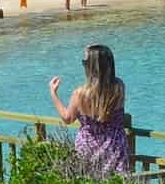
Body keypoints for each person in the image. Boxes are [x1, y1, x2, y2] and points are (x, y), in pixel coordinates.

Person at [49, 44, 130, 175]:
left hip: (88, 146)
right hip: (115, 146)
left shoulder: (80, 94)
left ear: (91, 67)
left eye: (84, 62)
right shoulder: (119, 87)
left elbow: (67, 118)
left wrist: (53, 93)